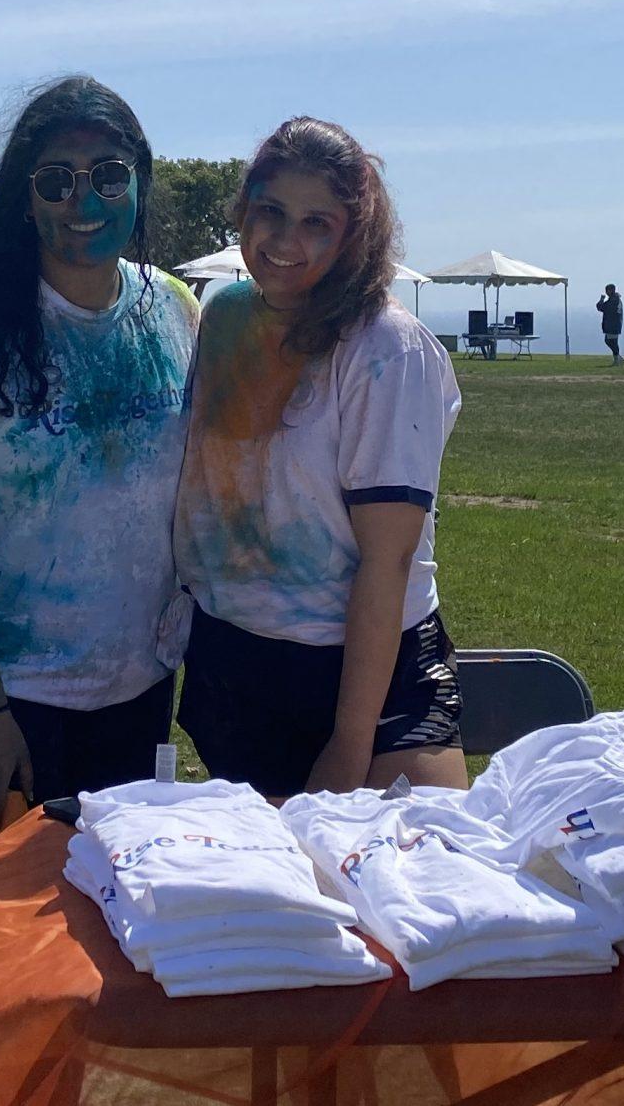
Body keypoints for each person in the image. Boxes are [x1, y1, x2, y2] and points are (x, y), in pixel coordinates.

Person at [0, 77, 199, 856]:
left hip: (135, 681)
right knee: (15, 936)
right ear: (25, 196)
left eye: (109, 174)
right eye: (56, 179)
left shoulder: (177, 311)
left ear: (140, 183)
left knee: (121, 912)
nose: (83, 198)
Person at [174, 116, 467, 797]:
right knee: (274, 901)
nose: (284, 241)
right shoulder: (225, 317)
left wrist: (349, 741)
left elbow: (387, 557)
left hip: (368, 677)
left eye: (317, 223)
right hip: (235, 662)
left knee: (400, 887)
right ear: (243, 209)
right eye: (270, 212)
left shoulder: (386, 347)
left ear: (353, 234)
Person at [596, 283, 624, 365]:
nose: (607, 292)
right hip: (614, 324)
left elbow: (602, 307)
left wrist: (601, 300)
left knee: (611, 341)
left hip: (613, 324)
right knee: (611, 341)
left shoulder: (614, 300)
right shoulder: (615, 299)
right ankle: (618, 358)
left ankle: (618, 359)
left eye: (608, 290)